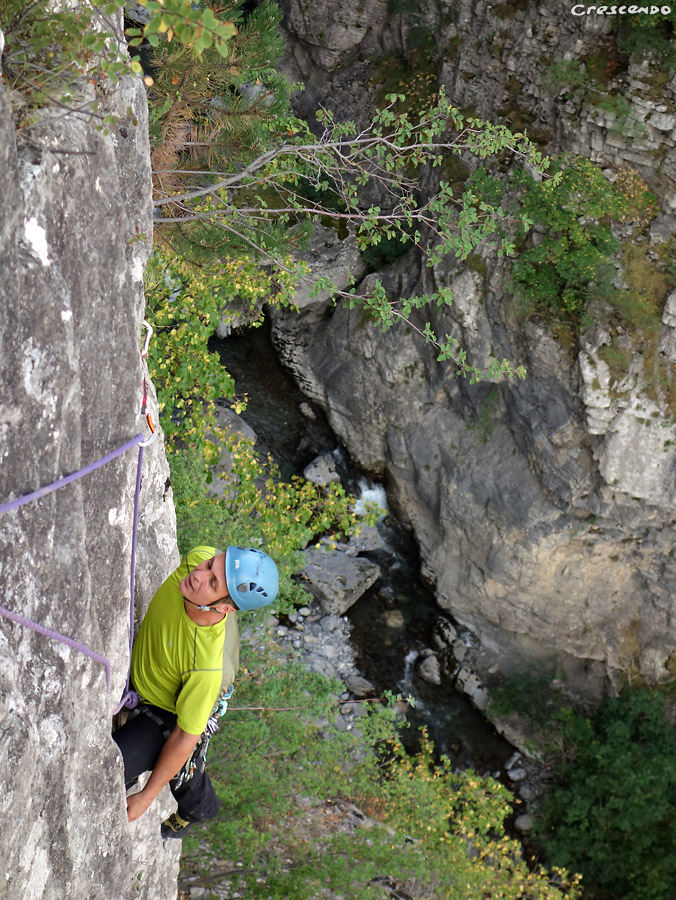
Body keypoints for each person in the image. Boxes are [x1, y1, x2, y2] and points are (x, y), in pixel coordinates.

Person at [113, 544, 278, 839]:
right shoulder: (198, 559)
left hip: (168, 712)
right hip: (164, 685)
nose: (199, 575)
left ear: (225, 608)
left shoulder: (205, 667)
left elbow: (185, 736)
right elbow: (205, 565)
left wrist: (146, 797)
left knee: (120, 770)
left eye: (212, 583)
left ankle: (200, 808)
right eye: (211, 565)